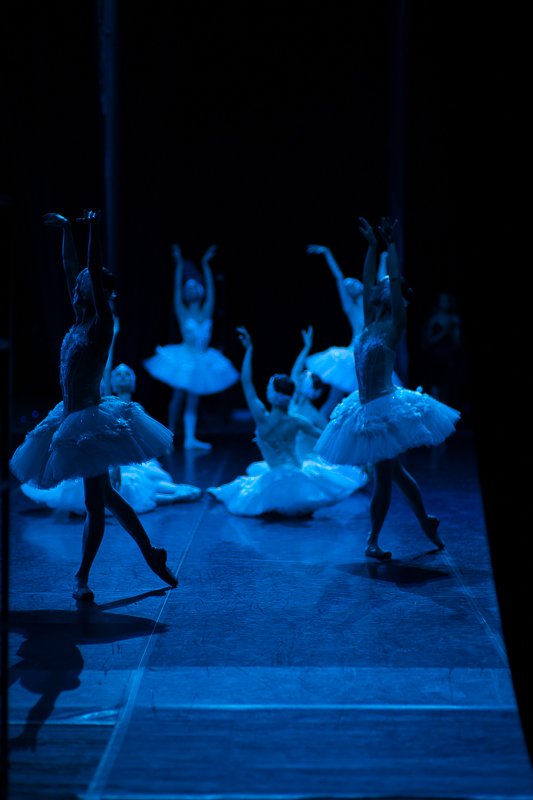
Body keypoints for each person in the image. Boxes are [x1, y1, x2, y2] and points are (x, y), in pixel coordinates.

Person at [10, 210, 179, 601]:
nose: (76, 285)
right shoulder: (80, 317)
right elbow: (70, 268)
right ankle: (150, 553)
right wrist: (67, 230)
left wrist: (93, 231)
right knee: (105, 497)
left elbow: (89, 270)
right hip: (69, 415)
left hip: (89, 420)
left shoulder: (102, 323)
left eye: (84, 283)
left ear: (96, 291)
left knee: (95, 502)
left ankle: (82, 577)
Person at [315, 217, 461, 560]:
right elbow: (368, 280)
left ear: (396, 296)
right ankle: (425, 520)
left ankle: (373, 540)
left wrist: (391, 245)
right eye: (378, 286)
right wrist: (371, 246)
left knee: (383, 476)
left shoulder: (396, 324)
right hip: (364, 406)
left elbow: (392, 280)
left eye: (385, 285)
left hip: (384, 407)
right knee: (393, 471)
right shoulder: (368, 321)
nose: (378, 286)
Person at [207, 327, 367, 516]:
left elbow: (247, 382)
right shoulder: (297, 420)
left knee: (248, 489)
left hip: (279, 475)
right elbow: (326, 436)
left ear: (272, 394)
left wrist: (249, 350)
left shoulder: (263, 418)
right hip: (298, 473)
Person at [20, 361, 202, 515]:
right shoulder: (107, 406)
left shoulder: (130, 409)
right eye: (119, 374)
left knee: (139, 485)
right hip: (113, 458)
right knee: (124, 488)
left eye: (127, 374)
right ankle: (173, 497)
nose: (123, 377)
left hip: (126, 458)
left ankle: (174, 495)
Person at [143, 243, 239, 450]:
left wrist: (205, 264)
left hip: (202, 357)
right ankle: (169, 434)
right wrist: (178, 264)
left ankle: (190, 438)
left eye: (195, 286)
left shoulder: (207, 309)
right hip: (185, 356)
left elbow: (212, 289)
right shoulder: (182, 311)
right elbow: (176, 290)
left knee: (194, 398)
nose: (191, 289)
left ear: (200, 289)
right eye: (188, 287)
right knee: (178, 396)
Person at [305, 244, 365, 418]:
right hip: (353, 355)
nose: (352, 282)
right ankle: (316, 429)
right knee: (334, 400)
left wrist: (384, 257)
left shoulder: (372, 304)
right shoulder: (351, 308)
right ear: (349, 293)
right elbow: (339, 277)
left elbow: (380, 279)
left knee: (364, 402)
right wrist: (327, 253)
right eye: (349, 285)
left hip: (370, 354)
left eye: (353, 280)